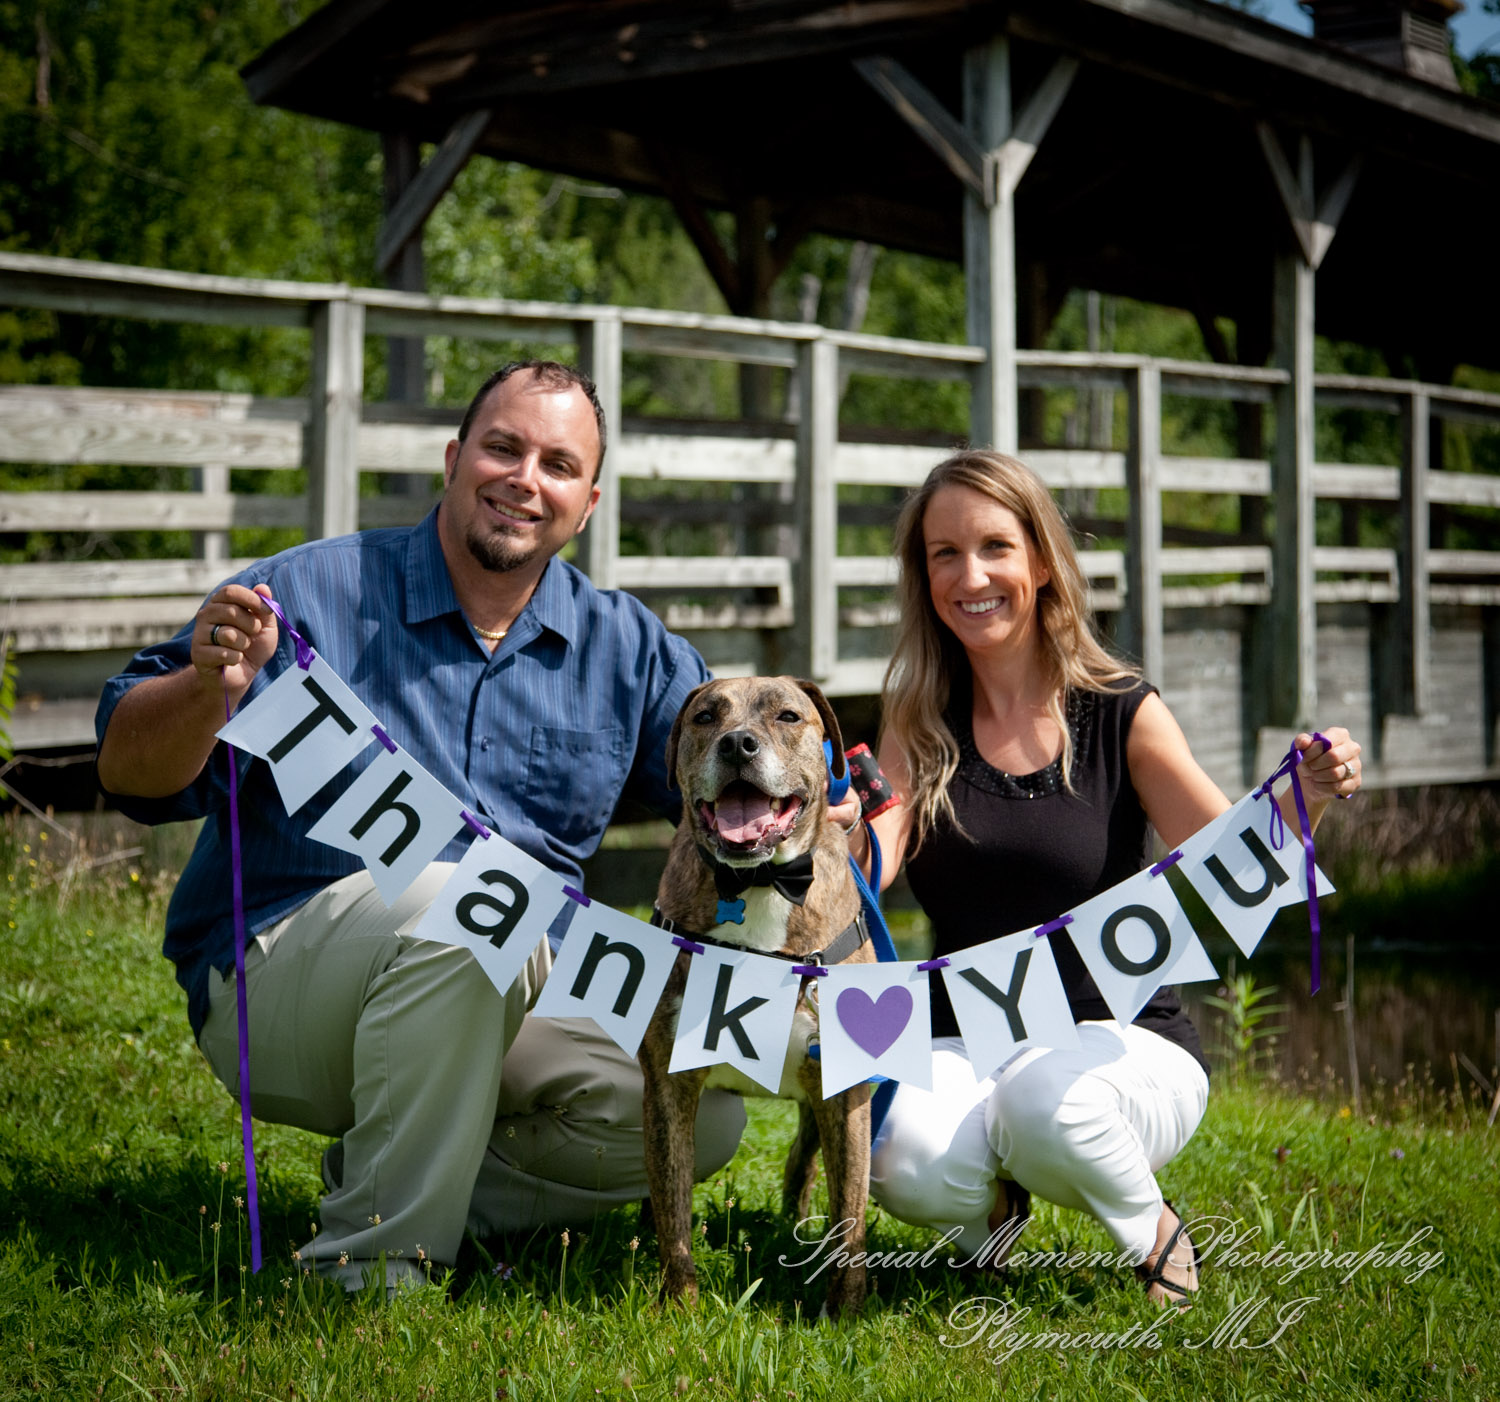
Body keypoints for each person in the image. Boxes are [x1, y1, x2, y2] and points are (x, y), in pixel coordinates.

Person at [95, 360, 745, 1293]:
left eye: (558, 465)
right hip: (282, 974)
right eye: (503, 447)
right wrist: (207, 690)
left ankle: (402, 1188)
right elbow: (128, 771)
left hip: (503, 977)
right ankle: (367, 1271)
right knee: (469, 904)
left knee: (697, 1114)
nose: (526, 478)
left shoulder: (624, 646)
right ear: (453, 458)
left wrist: (828, 797)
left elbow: (730, 773)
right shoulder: (311, 595)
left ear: (588, 501)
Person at [851, 449, 1362, 1305]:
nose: (969, 575)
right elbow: (879, 851)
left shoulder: (1121, 709)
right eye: (944, 553)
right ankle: (993, 1215)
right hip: (965, 1033)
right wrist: (831, 838)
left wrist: (1308, 791)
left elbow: (1232, 843)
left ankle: (1154, 1232)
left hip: (1125, 1038)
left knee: (1041, 1104)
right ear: (922, 573)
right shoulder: (918, 717)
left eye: (994, 548)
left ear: (1042, 562)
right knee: (894, 1154)